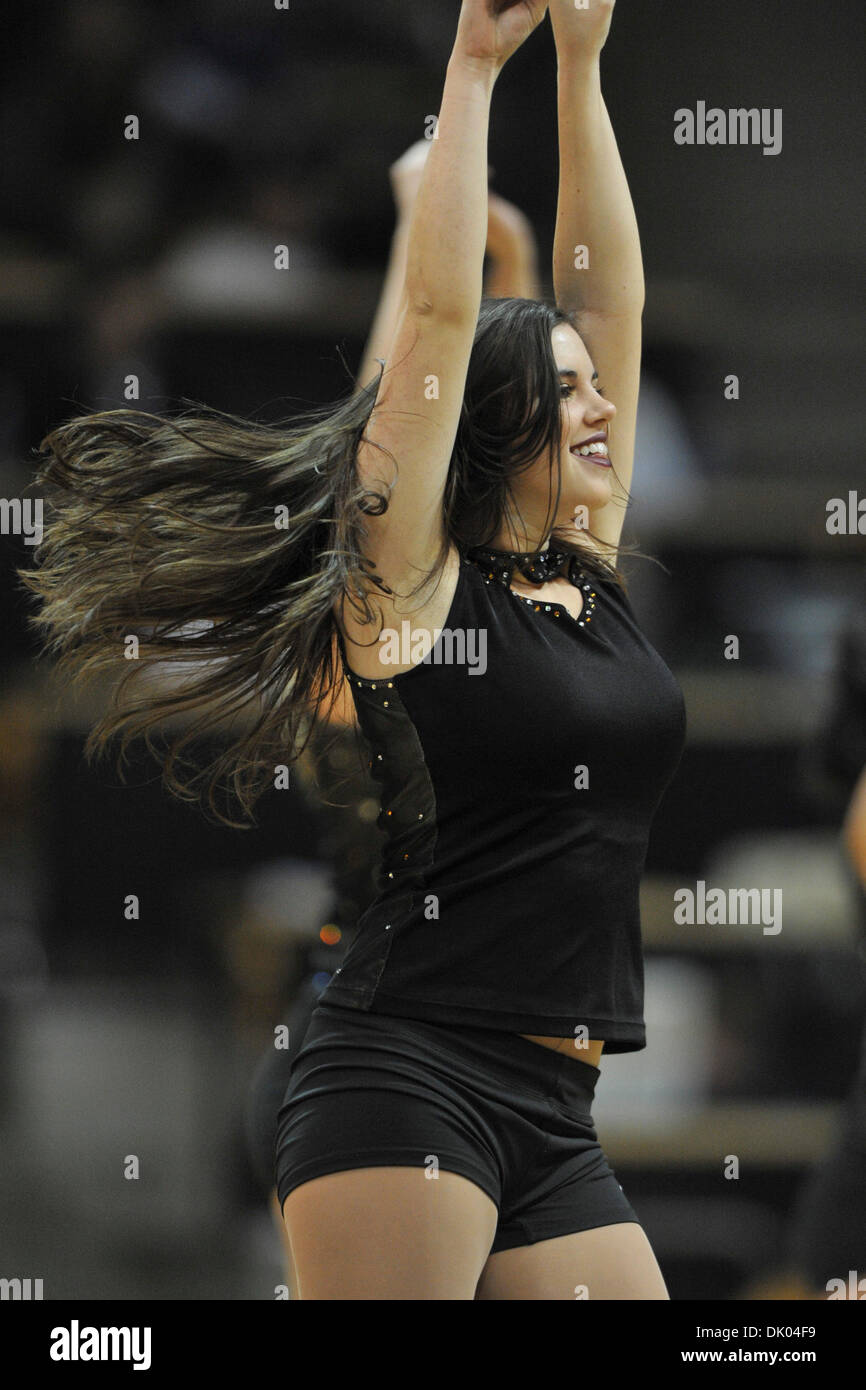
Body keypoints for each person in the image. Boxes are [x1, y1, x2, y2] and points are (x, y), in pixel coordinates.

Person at [21, 0, 686, 1299]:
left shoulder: (586, 572)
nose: (605, 401)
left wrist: (583, 64)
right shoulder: (412, 597)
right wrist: (476, 66)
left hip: (555, 1099)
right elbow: (436, 327)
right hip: (404, 1074)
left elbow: (610, 297)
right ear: (493, 434)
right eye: (564, 392)